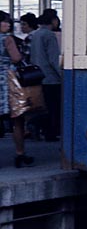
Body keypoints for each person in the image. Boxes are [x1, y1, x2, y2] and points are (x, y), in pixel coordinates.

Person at [0, 11, 32, 167]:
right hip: (8, 81)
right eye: (5, 22)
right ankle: (20, 154)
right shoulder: (8, 39)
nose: (8, 25)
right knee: (17, 119)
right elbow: (16, 58)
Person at [31, 12, 62, 143]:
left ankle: (38, 126)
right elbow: (53, 58)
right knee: (54, 107)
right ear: (53, 20)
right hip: (51, 77)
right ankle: (50, 133)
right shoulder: (49, 35)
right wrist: (62, 74)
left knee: (43, 106)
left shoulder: (36, 34)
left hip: (37, 75)